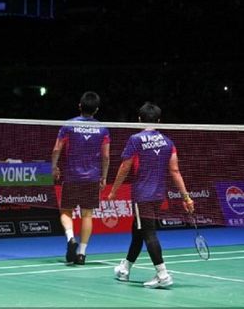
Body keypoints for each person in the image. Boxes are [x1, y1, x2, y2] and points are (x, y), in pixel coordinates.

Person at [108, 102, 195, 288]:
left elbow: (125, 167)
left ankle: (162, 275)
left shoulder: (135, 139)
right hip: (157, 196)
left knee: (148, 233)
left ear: (139, 120)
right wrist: (186, 197)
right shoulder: (168, 142)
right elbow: (175, 171)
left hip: (142, 196)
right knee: (138, 232)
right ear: (159, 120)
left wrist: (114, 190)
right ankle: (125, 268)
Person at [51, 91, 110, 265]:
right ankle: (82, 254)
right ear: (96, 109)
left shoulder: (68, 125)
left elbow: (56, 149)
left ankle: (70, 238)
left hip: (71, 176)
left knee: (65, 211)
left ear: (79, 106)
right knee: (87, 215)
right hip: (92, 176)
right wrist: (104, 176)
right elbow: (106, 156)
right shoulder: (103, 128)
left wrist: (53, 166)